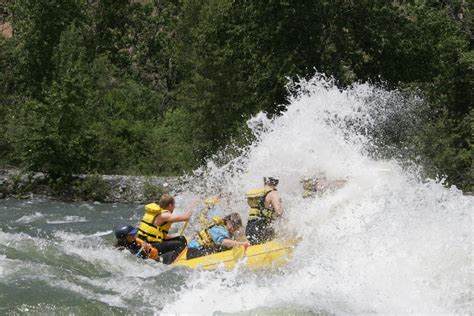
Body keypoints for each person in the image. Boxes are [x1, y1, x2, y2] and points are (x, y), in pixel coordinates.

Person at [137, 193, 191, 264]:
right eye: (174, 205)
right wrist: (193, 204)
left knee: (181, 238)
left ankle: (164, 258)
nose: (174, 207)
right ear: (170, 205)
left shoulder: (154, 213)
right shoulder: (165, 215)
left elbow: (162, 236)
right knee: (180, 244)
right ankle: (170, 263)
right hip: (150, 246)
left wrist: (176, 237)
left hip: (143, 244)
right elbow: (186, 217)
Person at [245, 176, 283, 245]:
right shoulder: (273, 194)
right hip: (261, 227)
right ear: (276, 182)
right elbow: (279, 212)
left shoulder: (258, 194)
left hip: (249, 227)